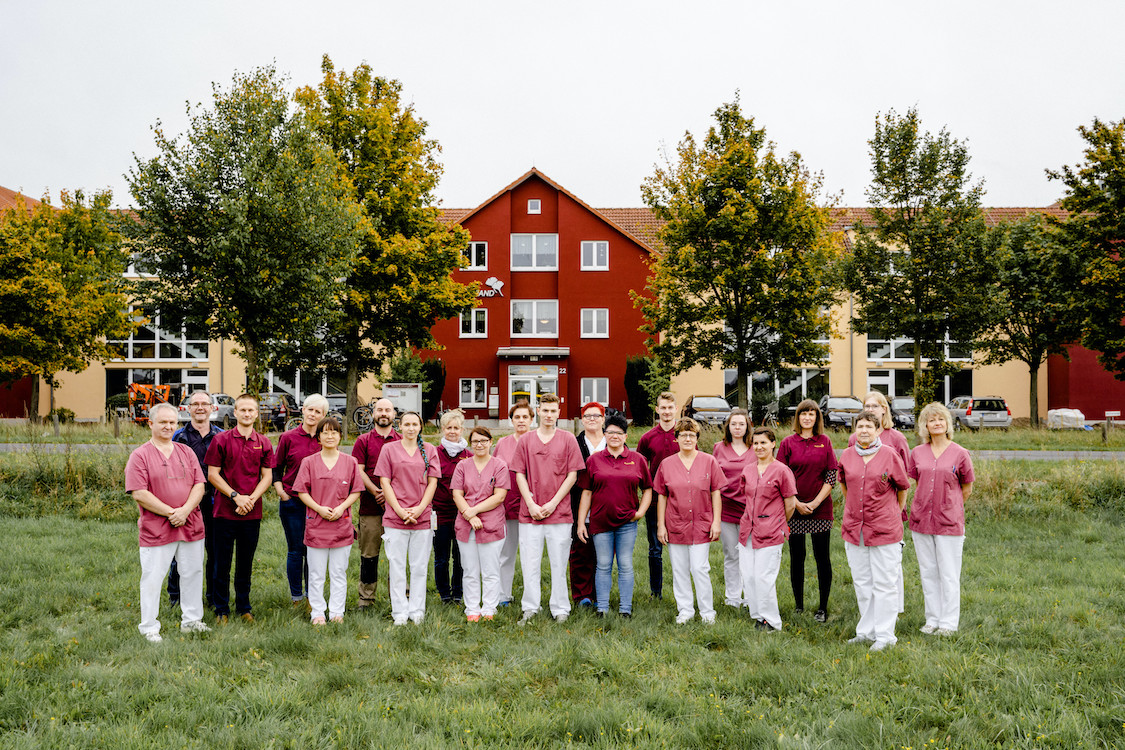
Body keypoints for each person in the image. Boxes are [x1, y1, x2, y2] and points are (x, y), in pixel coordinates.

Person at [125, 402, 211, 642]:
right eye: (162, 422)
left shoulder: (186, 452)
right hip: (157, 528)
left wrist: (184, 511)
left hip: (190, 524)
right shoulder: (140, 455)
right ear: (151, 423)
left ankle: (192, 621)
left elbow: (199, 485)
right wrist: (171, 513)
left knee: (192, 573)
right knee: (153, 577)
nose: (168, 426)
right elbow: (139, 492)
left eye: (172, 422)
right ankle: (149, 627)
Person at [838, 410, 910, 652]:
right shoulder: (847, 456)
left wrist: (891, 513)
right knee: (862, 582)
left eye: (869, 426)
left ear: (878, 430)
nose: (864, 430)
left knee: (885, 583)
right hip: (854, 528)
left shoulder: (889, 455)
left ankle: (885, 635)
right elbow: (845, 485)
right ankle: (865, 631)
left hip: (884, 529)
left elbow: (902, 488)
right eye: (860, 427)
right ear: (855, 430)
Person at [511, 393, 585, 624]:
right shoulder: (526, 441)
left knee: (558, 563)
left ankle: (560, 607)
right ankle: (530, 607)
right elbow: (519, 474)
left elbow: (573, 475)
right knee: (530, 563)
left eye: (553, 411)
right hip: (530, 513)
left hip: (560, 514)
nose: (549, 415)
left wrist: (553, 503)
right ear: (539, 411)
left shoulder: (568, 439)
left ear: (558, 413)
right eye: (545, 410)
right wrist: (531, 503)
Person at [204, 394, 275, 624]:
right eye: (242, 410)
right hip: (224, 512)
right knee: (221, 563)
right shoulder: (221, 440)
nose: (246, 414)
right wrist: (236, 497)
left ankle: (244, 607)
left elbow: (267, 476)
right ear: (235, 413)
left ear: (256, 413)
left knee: (245, 562)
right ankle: (221, 609)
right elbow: (212, 474)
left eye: (250, 410)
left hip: (251, 512)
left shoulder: (263, 442)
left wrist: (251, 499)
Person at [576, 412, 652, 617]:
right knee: (603, 564)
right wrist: (582, 522)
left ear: (626, 437)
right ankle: (602, 608)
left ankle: (625, 609)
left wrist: (641, 512)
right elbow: (587, 492)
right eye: (610, 432)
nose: (614, 436)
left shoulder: (637, 460)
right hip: (600, 522)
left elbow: (647, 489)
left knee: (625, 564)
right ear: (604, 434)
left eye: (619, 433)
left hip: (627, 522)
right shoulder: (594, 460)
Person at [909, 402, 975, 635]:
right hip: (921, 520)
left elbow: (966, 488)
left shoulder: (960, 453)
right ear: (925, 425)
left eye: (941, 419)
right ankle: (932, 619)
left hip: (949, 522)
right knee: (928, 571)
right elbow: (918, 482)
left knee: (948, 573)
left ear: (947, 424)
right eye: (931, 420)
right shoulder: (917, 453)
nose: (936, 423)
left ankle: (948, 623)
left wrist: (950, 506)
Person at [292, 416, 363, 625]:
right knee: (316, 573)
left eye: (334, 432)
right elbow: (301, 491)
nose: (330, 436)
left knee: (339, 572)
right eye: (325, 432)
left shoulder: (350, 462)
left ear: (340, 436)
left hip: (341, 524)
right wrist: (319, 509)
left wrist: (341, 508)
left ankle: (336, 612)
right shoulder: (309, 462)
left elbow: (356, 490)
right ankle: (317, 613)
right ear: (319, 437)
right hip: (317, 524)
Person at [848, 390, 914, 614]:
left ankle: (895, 608)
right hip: (862, 513)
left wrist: (896, 510)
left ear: (884, 409)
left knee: (890, 566)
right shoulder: (855, 439)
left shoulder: (896, 439)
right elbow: (848, 479)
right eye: (866, 406)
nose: (870, 410)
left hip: (889, 509)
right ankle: (870, 617)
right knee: (866, 571)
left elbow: (903, 477)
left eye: (874, 406)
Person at [654, 418, 723, 625]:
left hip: (702, 524)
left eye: (691, 435)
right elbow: (662, 496)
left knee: (700, 568)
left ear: (697, 438)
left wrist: (716, 522)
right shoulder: (667, 464)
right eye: (683, 435)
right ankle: (685, 610)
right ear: (676, 439)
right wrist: (660, 525)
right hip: (675, 524)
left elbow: (716, 492)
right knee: (679, 569)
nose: (687, 438)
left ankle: (707, 611)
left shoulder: (709, 461)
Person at [374, 411, 440, 625]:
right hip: (396, 517)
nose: (411, 428)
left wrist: (420, 509)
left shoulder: (429, 450)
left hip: (421, 518)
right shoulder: (389, 449)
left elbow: (432, 483)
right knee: (397, 565)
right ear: (399, 426)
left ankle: (417, 610)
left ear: (421, 427)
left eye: (415, 424)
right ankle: (399, 612)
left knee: (420, 566)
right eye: (407, 424)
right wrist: (400, 511)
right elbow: (385, 482)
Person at [776, 399, 838, 623]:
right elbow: (780, 475)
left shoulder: (825, 442)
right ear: (798, 417)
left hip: (820, 510)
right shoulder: (787, 443)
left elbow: (832, 475)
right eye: (803, 414)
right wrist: (797, 503)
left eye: (812, 414)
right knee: (797, 558)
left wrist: (815, 502)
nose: (807, 418)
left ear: (817, 418)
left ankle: (822, 608)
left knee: (823, 559)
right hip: (794, 510)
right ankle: (799, 606)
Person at [738, 427, 798, 631]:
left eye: (763, 442)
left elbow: (790, 504)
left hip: (771, 531)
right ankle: (758, 615)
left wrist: (778, 522)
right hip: (748, 530)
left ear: (773, 444)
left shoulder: (782, 470)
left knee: (765, 577)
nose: (759, 447)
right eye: (755, 443)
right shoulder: (748, 469)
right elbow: (745, 497)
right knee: (749, 576)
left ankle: (772, 621)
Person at [272, 394, 328, 610]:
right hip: (293, 502)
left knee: (313, 551)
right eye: (310, 410)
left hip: (318, 504)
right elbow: (276, 467)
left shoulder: (326, 437)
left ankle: (312, 596)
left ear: (324, 415)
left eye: (318, 412)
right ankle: (297, 597)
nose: (313, 414)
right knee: (296, 550)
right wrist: (281, 492)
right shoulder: (289, 437)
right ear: (303, 410)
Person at [171, 390, 224, 610]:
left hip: (214, 501)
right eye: (195, 404)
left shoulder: (222, 437)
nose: (200, 407)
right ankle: (177, 597)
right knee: (180, 552)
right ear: (188, 408)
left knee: (214, 551)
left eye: (205, 404)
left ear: (213, 408)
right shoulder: (178, 437)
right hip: (186, 503)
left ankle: (212, 598)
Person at [451, 426, 511, 621]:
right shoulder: (462, 466)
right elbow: (457, 494)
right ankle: (472, 609)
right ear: (470, 443)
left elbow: (499, 496)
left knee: (490, 570)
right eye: (476, 441)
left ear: (491, 442)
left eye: (483, 441)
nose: (479, 445)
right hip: (465, 524)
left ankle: (489, 609)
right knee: (469, 570)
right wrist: (469, 516)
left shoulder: (499, 465)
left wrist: (474, 511)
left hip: (492, 524)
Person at [351, 397, 400, 608]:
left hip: (397, 508)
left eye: (387, 410)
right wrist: (376, 490)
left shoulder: (401, 439)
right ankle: (366, 598)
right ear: (373, 414)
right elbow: (358, 470)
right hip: (370, 507)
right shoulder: (363, 441)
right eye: (379, 410)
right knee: (369, 556)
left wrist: (390, 494)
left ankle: (397, 597)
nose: (383, 413)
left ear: (393, 414)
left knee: (396, 557)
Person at [637, 392, 679, 599]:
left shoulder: (683, 435)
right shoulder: (647, 438)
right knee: (655, 548)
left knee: (680, 548)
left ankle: (682, 591)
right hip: (654, 501)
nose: (666, 411)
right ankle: (656, 592)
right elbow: (641, 470)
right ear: (657, 410)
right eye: (663, 408)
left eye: (670, 408)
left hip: (679, 501)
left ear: (676, 409)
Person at [711, 408, 754, 609]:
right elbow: (714, 478)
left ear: (747, 427)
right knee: (731, 554)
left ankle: (749, 596)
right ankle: (732, 598)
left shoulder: (756, 447)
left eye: (741, 424)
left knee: (748, 554)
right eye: (734, 424)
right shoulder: (719, 448)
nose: (737, 428)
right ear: (728, 426)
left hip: (750, 509)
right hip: (726, 508)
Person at [492, 400, 533, 606]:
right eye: (517, 417)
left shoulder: (537, 441)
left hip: (532, 507)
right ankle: (503, 596)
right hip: (507, 507)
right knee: (506, 553)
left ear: (532, 420)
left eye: (525, 416)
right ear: (511, 421)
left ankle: (531, 598)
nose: (521, 420)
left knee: (530, 556)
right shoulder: (502, 443)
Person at [569, 401, 606, 608]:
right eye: (588, 416)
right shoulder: (574, 443)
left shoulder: (613, 441)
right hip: (578, 503)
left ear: (603, 419)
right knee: (580, 549)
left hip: (605, 505)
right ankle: (583, 594)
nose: (592, 419)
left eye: (596, 415)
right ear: (582, 420)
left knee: (603, 553)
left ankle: (600, 592)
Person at [432, 409, 470, 604]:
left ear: (462, 429)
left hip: (463, 514)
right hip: (440, 513)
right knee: (441, 557)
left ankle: (458, 593)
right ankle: (444, 594)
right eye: (449, 428)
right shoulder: (434, 454)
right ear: (443, 429)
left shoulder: (469, 455)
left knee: (461, 557)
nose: (452, 431)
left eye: (456, 428)